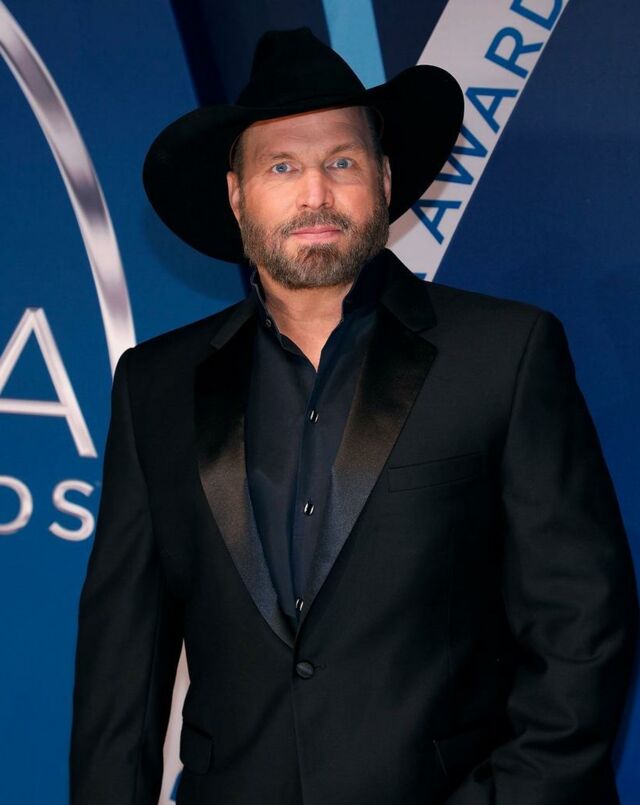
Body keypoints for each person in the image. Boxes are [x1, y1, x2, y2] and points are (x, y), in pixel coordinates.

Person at [69, 27, 637, 805]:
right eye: (281, 166)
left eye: (342, 162)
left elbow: (583, 629)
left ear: (384, 177)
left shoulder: (503, 355)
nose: (315, 193)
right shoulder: (155, 386)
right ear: (236, 196)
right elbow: (118, 674)